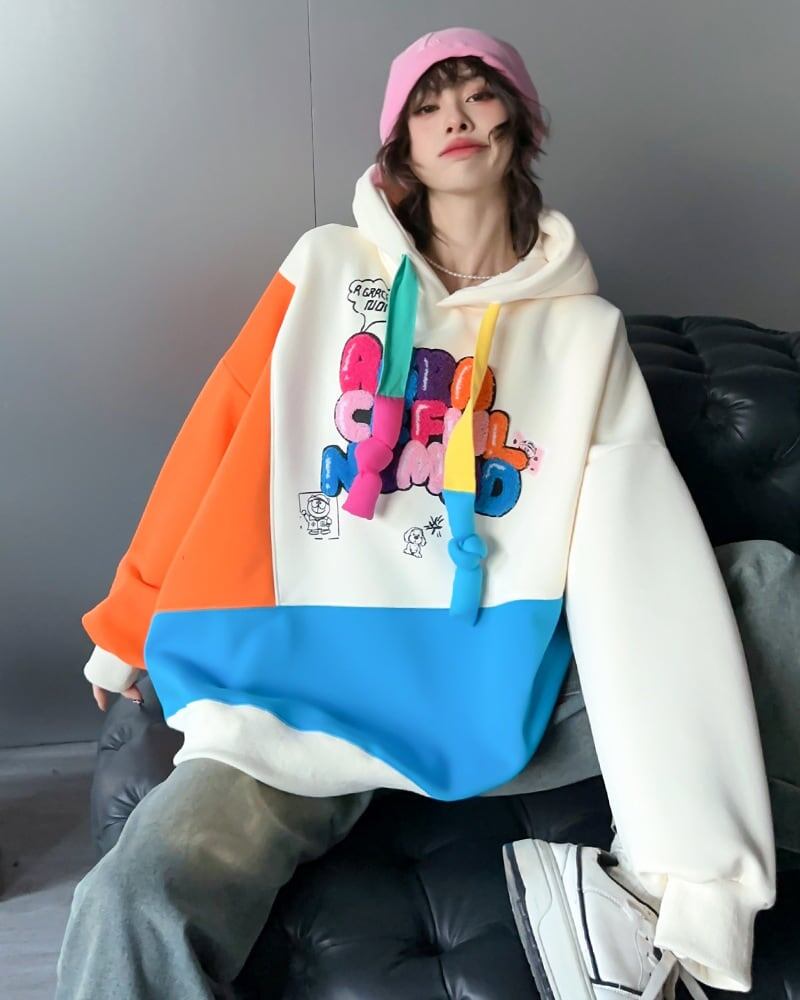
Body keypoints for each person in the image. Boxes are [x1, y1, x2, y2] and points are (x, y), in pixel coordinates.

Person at [57, 25, 776, 999]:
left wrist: (695, 886)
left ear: (520, 124)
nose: (455, 118)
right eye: (428, 104)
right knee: (135, 894)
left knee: (762, 582)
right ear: (401, 145)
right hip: (292, 696)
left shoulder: (582, 334)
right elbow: (218, 433)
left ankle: (647, 914)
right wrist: (125, 626)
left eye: (478, 94)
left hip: (491, 692)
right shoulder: (324, 268)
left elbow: (637, 552)